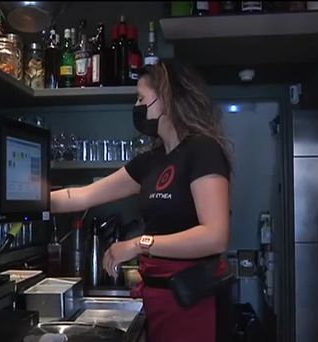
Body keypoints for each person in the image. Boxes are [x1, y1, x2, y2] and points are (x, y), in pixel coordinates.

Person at [50, 60, 233, 342]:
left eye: (140, 98)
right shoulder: (151, 161)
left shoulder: (203, 150)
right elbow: (84, 195)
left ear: (167, 99)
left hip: (193, 299)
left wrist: (138, 244)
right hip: (159, 299)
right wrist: (24, 199)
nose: (136, 106)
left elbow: (215, 236)